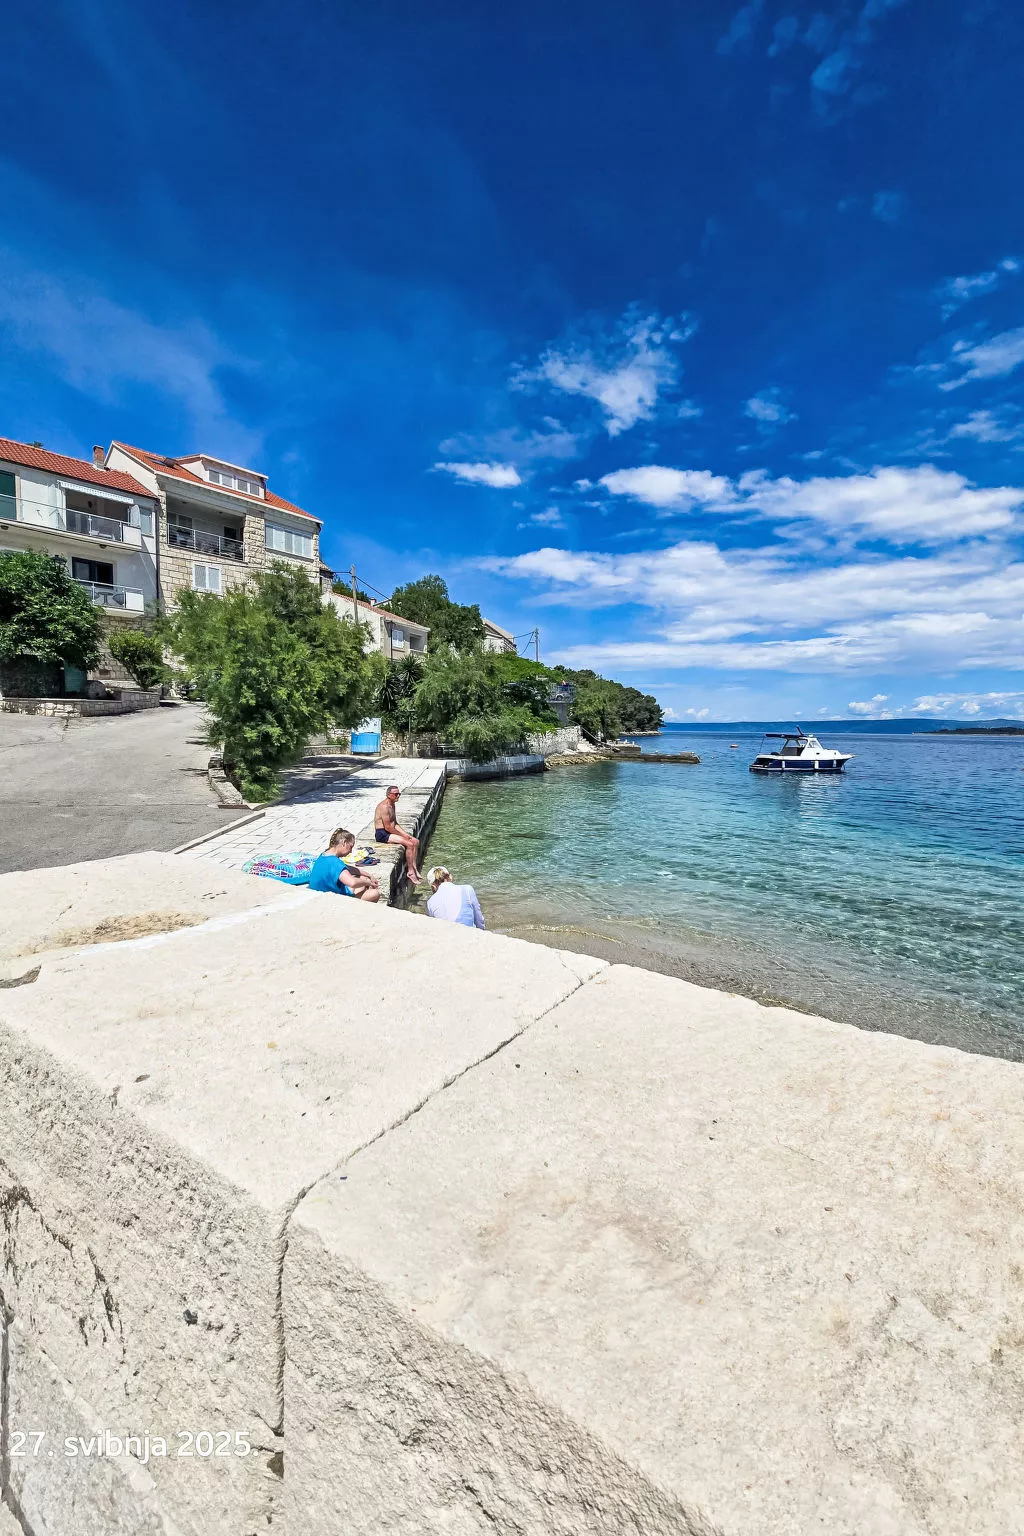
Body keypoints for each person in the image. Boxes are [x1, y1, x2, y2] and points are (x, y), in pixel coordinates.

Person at [308, 828, 381, 902]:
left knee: (363, 878)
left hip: (319, 894)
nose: (351, 851)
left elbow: (348, 868)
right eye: (350, 847)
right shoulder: (335, 863)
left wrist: (369, 875)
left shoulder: (324, 855)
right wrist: (369, 883)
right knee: (374, 893)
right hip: (330, 900)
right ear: (344, 843)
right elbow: (352, 882)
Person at [373, 786, 422, 883]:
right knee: (409, 844)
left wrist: (405, 834)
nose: (398, 796)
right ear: (388, 795)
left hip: (389, 831)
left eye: (399, 794)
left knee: (415, 841)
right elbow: (387, 827)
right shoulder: (384, 807)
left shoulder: (392, 804)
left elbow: (394, 823)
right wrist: (403, 836)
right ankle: (410, 872)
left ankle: (414, 867)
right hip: (382, 834)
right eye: (396, 794)